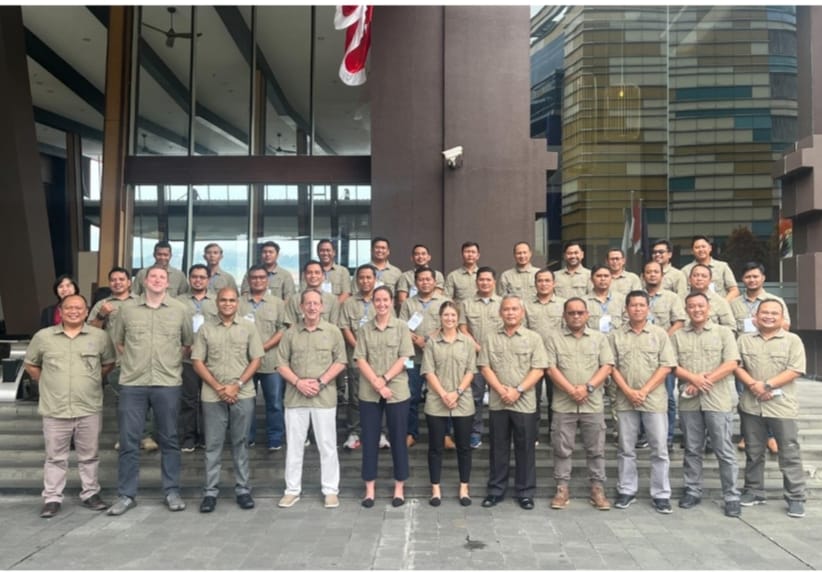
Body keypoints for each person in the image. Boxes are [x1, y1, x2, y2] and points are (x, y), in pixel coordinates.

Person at [107, 266, 194, 516]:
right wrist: (137, 361)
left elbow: (187, 343)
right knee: (129, 440)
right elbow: (119, 341)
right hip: (133, 383)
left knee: (169, 438)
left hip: (167, 383)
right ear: (144, 281)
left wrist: (168, 361)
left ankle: (171, 491)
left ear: (168, 283)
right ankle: (126, 495)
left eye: (162, 278)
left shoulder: (180, 310)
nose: (157, 280)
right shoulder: (127, 310)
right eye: (153, 276)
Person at [24, 294, 116, 518]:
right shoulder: (44, 337)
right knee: (55, 456)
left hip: (88, 406)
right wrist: (47, 382)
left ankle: (90, 493)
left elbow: (108, 364)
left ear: (86, 312)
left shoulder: (99, 336)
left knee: (89, 455)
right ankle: (53, 498)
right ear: (61, 311)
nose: (74, 311)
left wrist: (90, 380)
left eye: (79, 308)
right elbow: (31, 364)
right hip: (56, 408)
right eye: (69, 308)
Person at [192, 287, 264, 513]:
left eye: (232, 300)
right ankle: (210, 492)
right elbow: (197, 361)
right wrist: (218, 387)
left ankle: (243, 489)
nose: (227, 304)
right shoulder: (205, 329)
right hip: (213, 395)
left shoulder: (248, 327)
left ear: (238, 303)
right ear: (217, 303)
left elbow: (256, 359)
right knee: (212, 445)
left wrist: (237, 385)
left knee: (240, 443)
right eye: (223, 300)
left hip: (242, 393)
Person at [735, 300, 808, 518]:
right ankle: (754, 490)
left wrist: (767, 385)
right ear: (755, 317)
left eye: (774, 313)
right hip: (751, 405)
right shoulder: (744, 340)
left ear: (782, 317)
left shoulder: (792, 340)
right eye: (764, 312)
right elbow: (736, 366)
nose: (768, 316)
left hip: (781, 406)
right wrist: (753, 385)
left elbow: (796, 369)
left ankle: (795, 497)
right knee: (753, 451)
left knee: (789, 452)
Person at [672, 292, 742, 517]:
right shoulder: (678, 336)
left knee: (724, 449)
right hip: (689, 402)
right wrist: (693, 379)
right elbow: (672, 365)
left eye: (700, 306)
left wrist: (704, 380)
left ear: (709, 308)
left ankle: (731, 495)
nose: (697, 310)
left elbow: (731, 362)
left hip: (717, 400)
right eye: (691, 306)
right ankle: (692, 490)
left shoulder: (723, 333)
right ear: (686, 309)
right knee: (692, 448)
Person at [276, 289, 347, 509]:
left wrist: (321, 381)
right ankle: (292, 490)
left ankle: (330, 490)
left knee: (327, 445)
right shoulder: (290, 333)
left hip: (323, 396)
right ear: (301, 307)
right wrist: (298, 382)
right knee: (295, 446)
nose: (312, 307)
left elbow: (341, 361)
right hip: (296, 397)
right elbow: (281, 363)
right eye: (308, 303)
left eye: (316, 303)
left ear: (322, 307)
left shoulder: (333, 331)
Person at [609, 290, 677, 514]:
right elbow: (611, 367)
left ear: (648, 308)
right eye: (633, 305)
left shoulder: (659, 334)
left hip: (654, 400)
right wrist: (628, 391)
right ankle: (627, 490)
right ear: (626, 309)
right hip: (625, 399)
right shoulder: (615, 335)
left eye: (641, 305)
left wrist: (644, 390)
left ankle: (661, 494)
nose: (637, 309)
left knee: (659, 449)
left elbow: (666, 366)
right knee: (626, 448)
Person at [478, 295, 548, 510]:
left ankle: (525, 492)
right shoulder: (490, 338)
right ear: (500, 313)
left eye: (514, 309)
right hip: (499, 403)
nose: (510, 313)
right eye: (506, 309)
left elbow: (539, 368)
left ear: (522, 313)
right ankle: (496, 490)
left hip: (524, 402)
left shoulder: (534, 338)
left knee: (525, 448)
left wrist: (518, 390)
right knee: (498, 448)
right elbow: (484, 367)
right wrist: (500, 390)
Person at [545, 297, 614, 511]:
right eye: (571, 313)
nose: (576, 316)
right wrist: (570, 390)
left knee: (596, 449)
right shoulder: (553, 338)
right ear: (564, 315)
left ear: (587, 315)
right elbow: (550, 368)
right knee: (562, 449)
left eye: (580, 313)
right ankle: (562, 488)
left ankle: (597, 489)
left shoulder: (599, 339)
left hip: (591, 403)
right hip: (564, 404)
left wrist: (588, 388)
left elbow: (607, 366)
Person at [353, 286, 415, 508]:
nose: (381, 304)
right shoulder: (365, 330)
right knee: (369, 440)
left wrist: (385, 379)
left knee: (398, 439)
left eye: (385, 300)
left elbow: (404, 356)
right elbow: (360, 359)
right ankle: (369, 488)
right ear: (373, 303)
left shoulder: (400, 328)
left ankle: (399, 486)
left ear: (392, 302)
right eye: (377, 300)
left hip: (396, 390)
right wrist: (377, 384)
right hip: (370, 391)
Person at [87, 267, 155, 451]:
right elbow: (91, 332)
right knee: (123, 401)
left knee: (144, 398)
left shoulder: (141, 302)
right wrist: (102, 315)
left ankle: (146, 436)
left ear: (129, 282)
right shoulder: (102, 304)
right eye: (113, 280)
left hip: (140, 360)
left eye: (121, 279)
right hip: (115, 361)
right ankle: (127, 436)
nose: (117, 282)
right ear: (109, 283)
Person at [422, 301, 477, 506]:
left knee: (463, 446)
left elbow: (471, 370)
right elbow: (428, 371)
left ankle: (464, 486)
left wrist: (457, 392)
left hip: (462, 400)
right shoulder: (432, 343)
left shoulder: (467, 342)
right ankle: (435, 487)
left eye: (453, 315)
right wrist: (445, 394)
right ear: (440, 317)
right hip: (437, 400)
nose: (450, 319)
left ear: (458, 318)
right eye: (446, 315)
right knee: (435, 447)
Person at [731, 262, 790, 453]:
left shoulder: (775, 300)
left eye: (755, 276)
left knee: (769, 396)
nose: (752, 280)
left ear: (763, 278)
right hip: (745, 357)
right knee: (744, 398)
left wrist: (764, 327)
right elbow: (730, 330)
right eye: (748, 277)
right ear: (742, 280)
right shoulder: (735, 304)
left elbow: (786, 325)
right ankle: (747, 436)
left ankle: (770, 436)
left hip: (771, 355)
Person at [398, 267, 450, 447]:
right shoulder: (408, 304)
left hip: (439, 359)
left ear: (435, 282)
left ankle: (445, 435)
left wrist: (427, 339)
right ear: (416, 282)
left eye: (429, 279)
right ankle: (411, 433)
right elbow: (403, 326)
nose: (425, 282)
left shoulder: (444, 302)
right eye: (421, 279)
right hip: (414, 358)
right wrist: (417, 341)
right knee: (411, 395)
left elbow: (447, 324)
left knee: (441, 395)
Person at [339, 264, 389, 450]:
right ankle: (354, 433)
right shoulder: (350, 303)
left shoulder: (381, 300)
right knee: (355, 397)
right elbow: (345, 327)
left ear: (375, 279)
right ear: (356, 280)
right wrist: (359, 349)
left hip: (381, 360)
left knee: (380, 396)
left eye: (369, 277)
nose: (365, 281)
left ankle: (381, 433)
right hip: (356, 359)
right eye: (361, 277)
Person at [239, 265, 287, 451]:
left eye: (261, 277)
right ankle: (247, 437)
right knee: (246, 403)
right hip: (245, 362)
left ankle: (275, 438)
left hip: (271, 361)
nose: (258, 281)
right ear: (249, 280)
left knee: (274, 402)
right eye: (254, 278)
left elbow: (283, 328)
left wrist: (262, 347)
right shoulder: (239, 303)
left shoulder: (277, 303)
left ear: (267, 280)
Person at [642, 260, 687, 449]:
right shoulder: (637, 297)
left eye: (656, 272)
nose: (652, 275)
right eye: (648, 272)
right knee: (643, 392)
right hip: (641, 353)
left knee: (667, 396)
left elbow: (679, 322)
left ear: (662, 275)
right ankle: (645, 435)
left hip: (664, 354)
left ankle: (667, 438)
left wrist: (662, 339)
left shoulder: (672, 298)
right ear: (643, 276)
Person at [176, 264, 219, 453]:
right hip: (187, 358)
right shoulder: (178, 302)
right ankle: (189, 437)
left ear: (208, 279)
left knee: (209, 400)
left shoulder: (217, 301)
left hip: (211, 360)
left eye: (202, 277)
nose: (198, 280)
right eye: (194, 277)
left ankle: (207, 437)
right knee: (188, 400)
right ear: (189, 279)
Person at [460, 267, 503, 448]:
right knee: (476, 397)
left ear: (494, 282)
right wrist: (478, 348)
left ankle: (498, 434)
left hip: (499, 359)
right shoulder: (466, 304)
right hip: (475, 359)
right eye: (481, 279)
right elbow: (462, 329)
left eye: (488, 279)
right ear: (476, 281)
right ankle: (475, 432)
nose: (484, 283)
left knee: (499, 397)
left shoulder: (503, 303)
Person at [523, 268, 566, 444]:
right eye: (540, 280)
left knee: (556, 399)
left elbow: (565, 332)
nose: (543, 284)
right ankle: (532, 435)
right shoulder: (526, 305)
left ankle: (554, 433)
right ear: (535, 284)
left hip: (556, 359)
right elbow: (524, 332)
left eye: (547, 280)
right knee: (531, 398)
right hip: (533, 361)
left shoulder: (563, 304)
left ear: (554, 283)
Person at [681, 236, 739, 301]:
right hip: (696, 308)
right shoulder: (685, 271)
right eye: (697, 247)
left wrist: (722, 304)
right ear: (692, 251)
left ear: (710, 248)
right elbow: (682, 294)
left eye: (703, 246)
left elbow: (734, 290)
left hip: (718, 308)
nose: (701, 250)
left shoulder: (722, 266)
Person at [285, 260, 341, 327]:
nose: (313, 276)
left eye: (317, 273)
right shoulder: (294, 300)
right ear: (304, 276)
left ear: (323, 276)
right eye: (309, 273)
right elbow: (291, 326)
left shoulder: (332, 300)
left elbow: (333, 325)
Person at [686, 265, 736, 331]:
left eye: (704, 276)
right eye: (696, 275)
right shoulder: (680, 299)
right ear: (689, 279)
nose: (699, 279)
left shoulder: (720, 302)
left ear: (710, 281)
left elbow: (731, 328)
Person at [314, 239, 352, 304]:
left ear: (334, 252)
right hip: (316, 310)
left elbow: (346, 293)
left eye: (328, 250)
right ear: (317, 253)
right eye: (322, 250)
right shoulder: (311, 271)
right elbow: (305, 293)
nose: (325, 253)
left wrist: (332, 308)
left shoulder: (343, 271)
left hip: (337, 311)